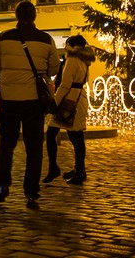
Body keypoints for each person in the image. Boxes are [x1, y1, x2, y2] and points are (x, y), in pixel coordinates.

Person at [0, 0, 60, 209]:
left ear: (17, 16)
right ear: (34, 16)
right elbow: (54, 68)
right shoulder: (46, 39)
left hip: (9, 99)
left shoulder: (4, 37)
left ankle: (2, 185)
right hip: (34, 101)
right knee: (34, 147)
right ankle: (31, 193)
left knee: (6, 144)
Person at [44, 35, 94, 185]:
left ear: (70, 45)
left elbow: (65, 84)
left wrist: (53, 103)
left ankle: (73, 170)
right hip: (78, 98)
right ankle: (79, 169)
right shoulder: (85, 60)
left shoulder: (72, 59)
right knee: (75, 136)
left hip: (69, 100)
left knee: (57, 134)